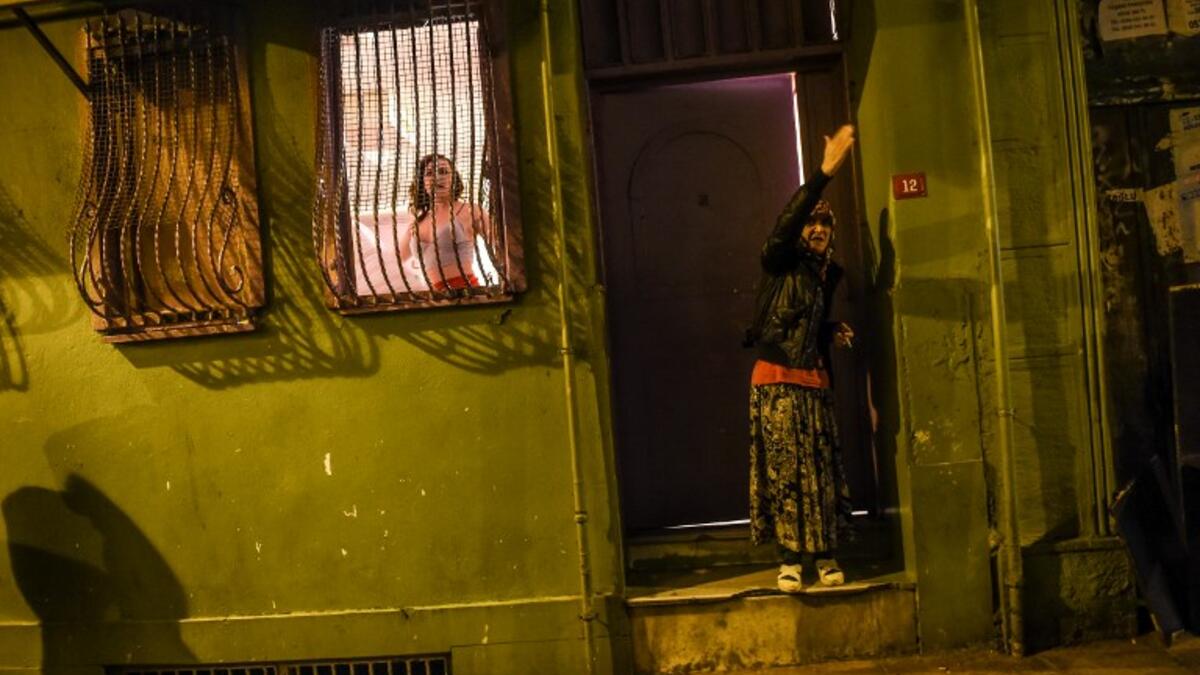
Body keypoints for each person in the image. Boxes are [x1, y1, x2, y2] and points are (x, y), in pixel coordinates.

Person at [744, 124, 857, 593]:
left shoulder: (830, 273)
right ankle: (790, 559)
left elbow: (806, 321)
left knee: (821, 472)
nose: (815, 229)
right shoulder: (779, 261)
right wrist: (822, 175)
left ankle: (825, 555)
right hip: (775, 381)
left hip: (814, 382)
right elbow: (783, 228)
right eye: (810, 222)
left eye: (824, 223)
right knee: (785, 473)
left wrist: (830, 331)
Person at [401, 153, 491, 292]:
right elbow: (394, 259)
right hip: (435, 299)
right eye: (429, 173)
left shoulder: (470, 210)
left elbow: (502, 244)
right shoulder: (417, 223)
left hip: (467, 293)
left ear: (453, 179)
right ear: (422, 182)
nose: (437, 177)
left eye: (443, 171)